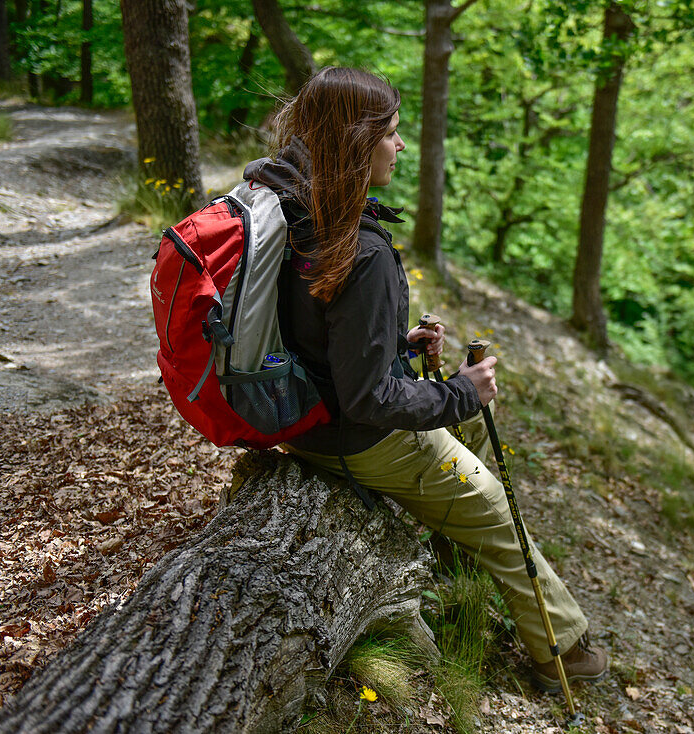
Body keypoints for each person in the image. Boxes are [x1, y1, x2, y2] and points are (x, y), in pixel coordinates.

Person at [241, 66, 607, 692]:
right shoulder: (364, 251)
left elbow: (320, 338)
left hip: (298, 413)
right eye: (391, 134)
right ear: (358, 142)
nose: (400, 146)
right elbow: (369, 398)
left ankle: (449, 548)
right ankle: (566, 652)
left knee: (466, 429)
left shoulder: (293, 210)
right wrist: (464, 388)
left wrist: (397, 349)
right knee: (496, 508)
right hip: (357, 440)